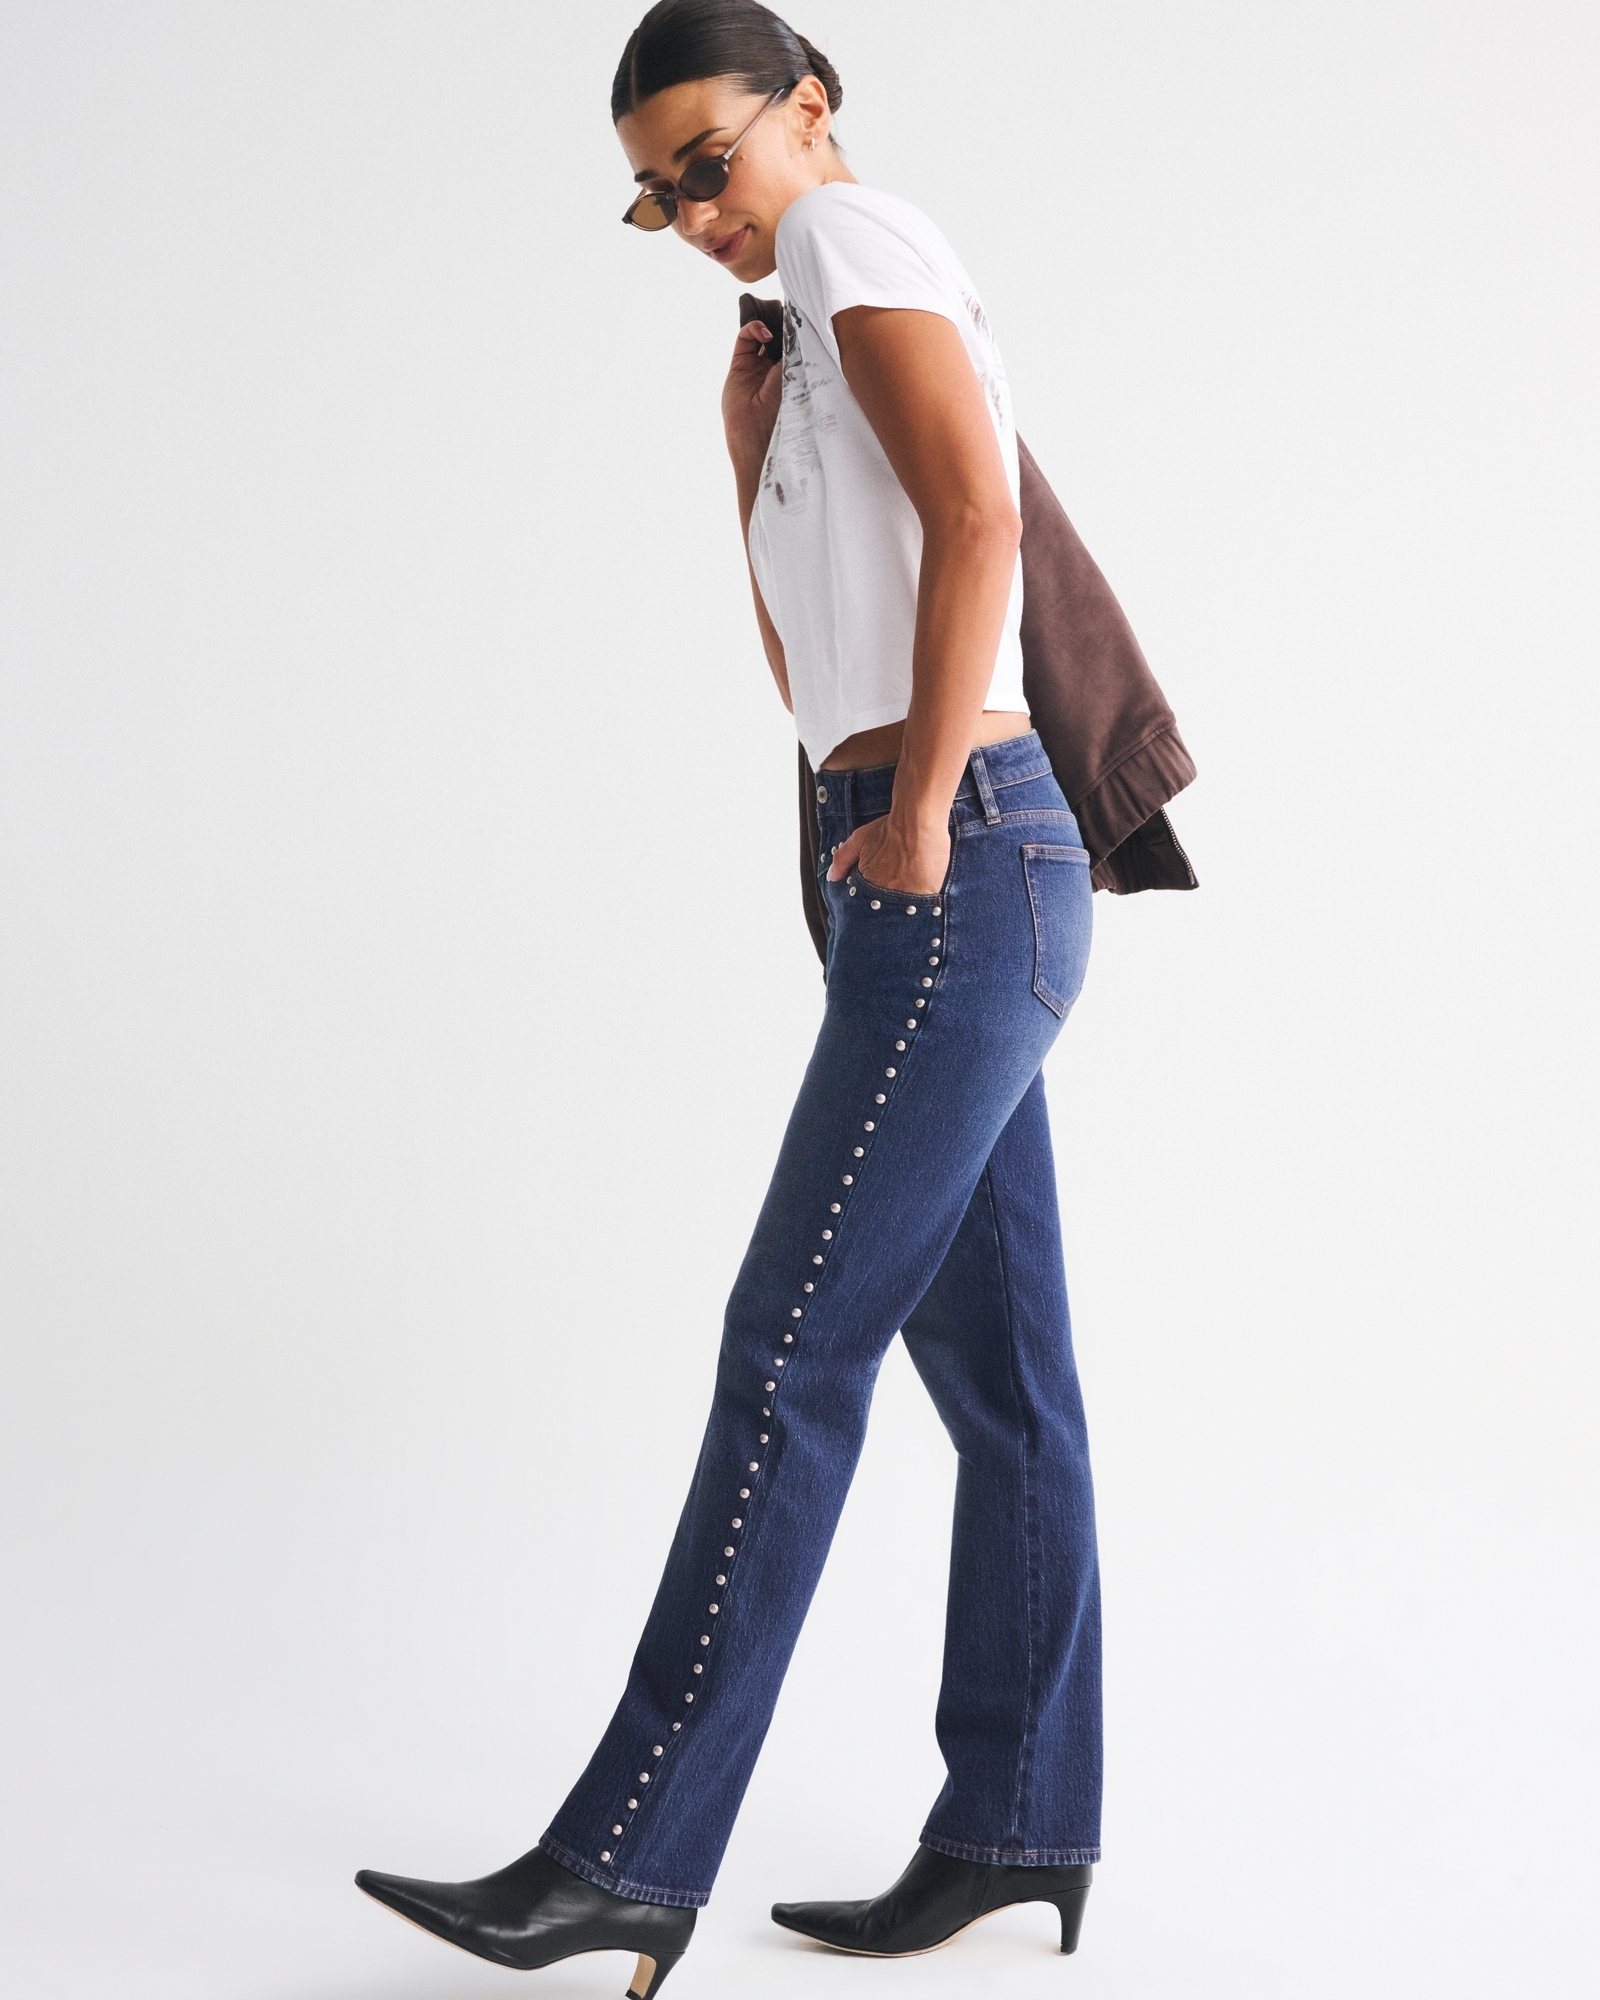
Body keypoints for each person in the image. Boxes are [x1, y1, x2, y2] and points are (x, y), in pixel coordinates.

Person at [356, 5, 1102, 1992]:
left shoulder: (852, 237)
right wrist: (744, 455)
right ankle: (1019, 1821)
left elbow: (981, 521)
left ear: (810, 108)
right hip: (932, 859)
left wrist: (919, 814)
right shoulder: (793, 334)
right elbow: (814, 670)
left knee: (788, 1350)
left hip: (956, 856)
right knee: (1007, 1388)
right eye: (655, 195)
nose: (692, 213)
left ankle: (624, 1858)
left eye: (709, 163)